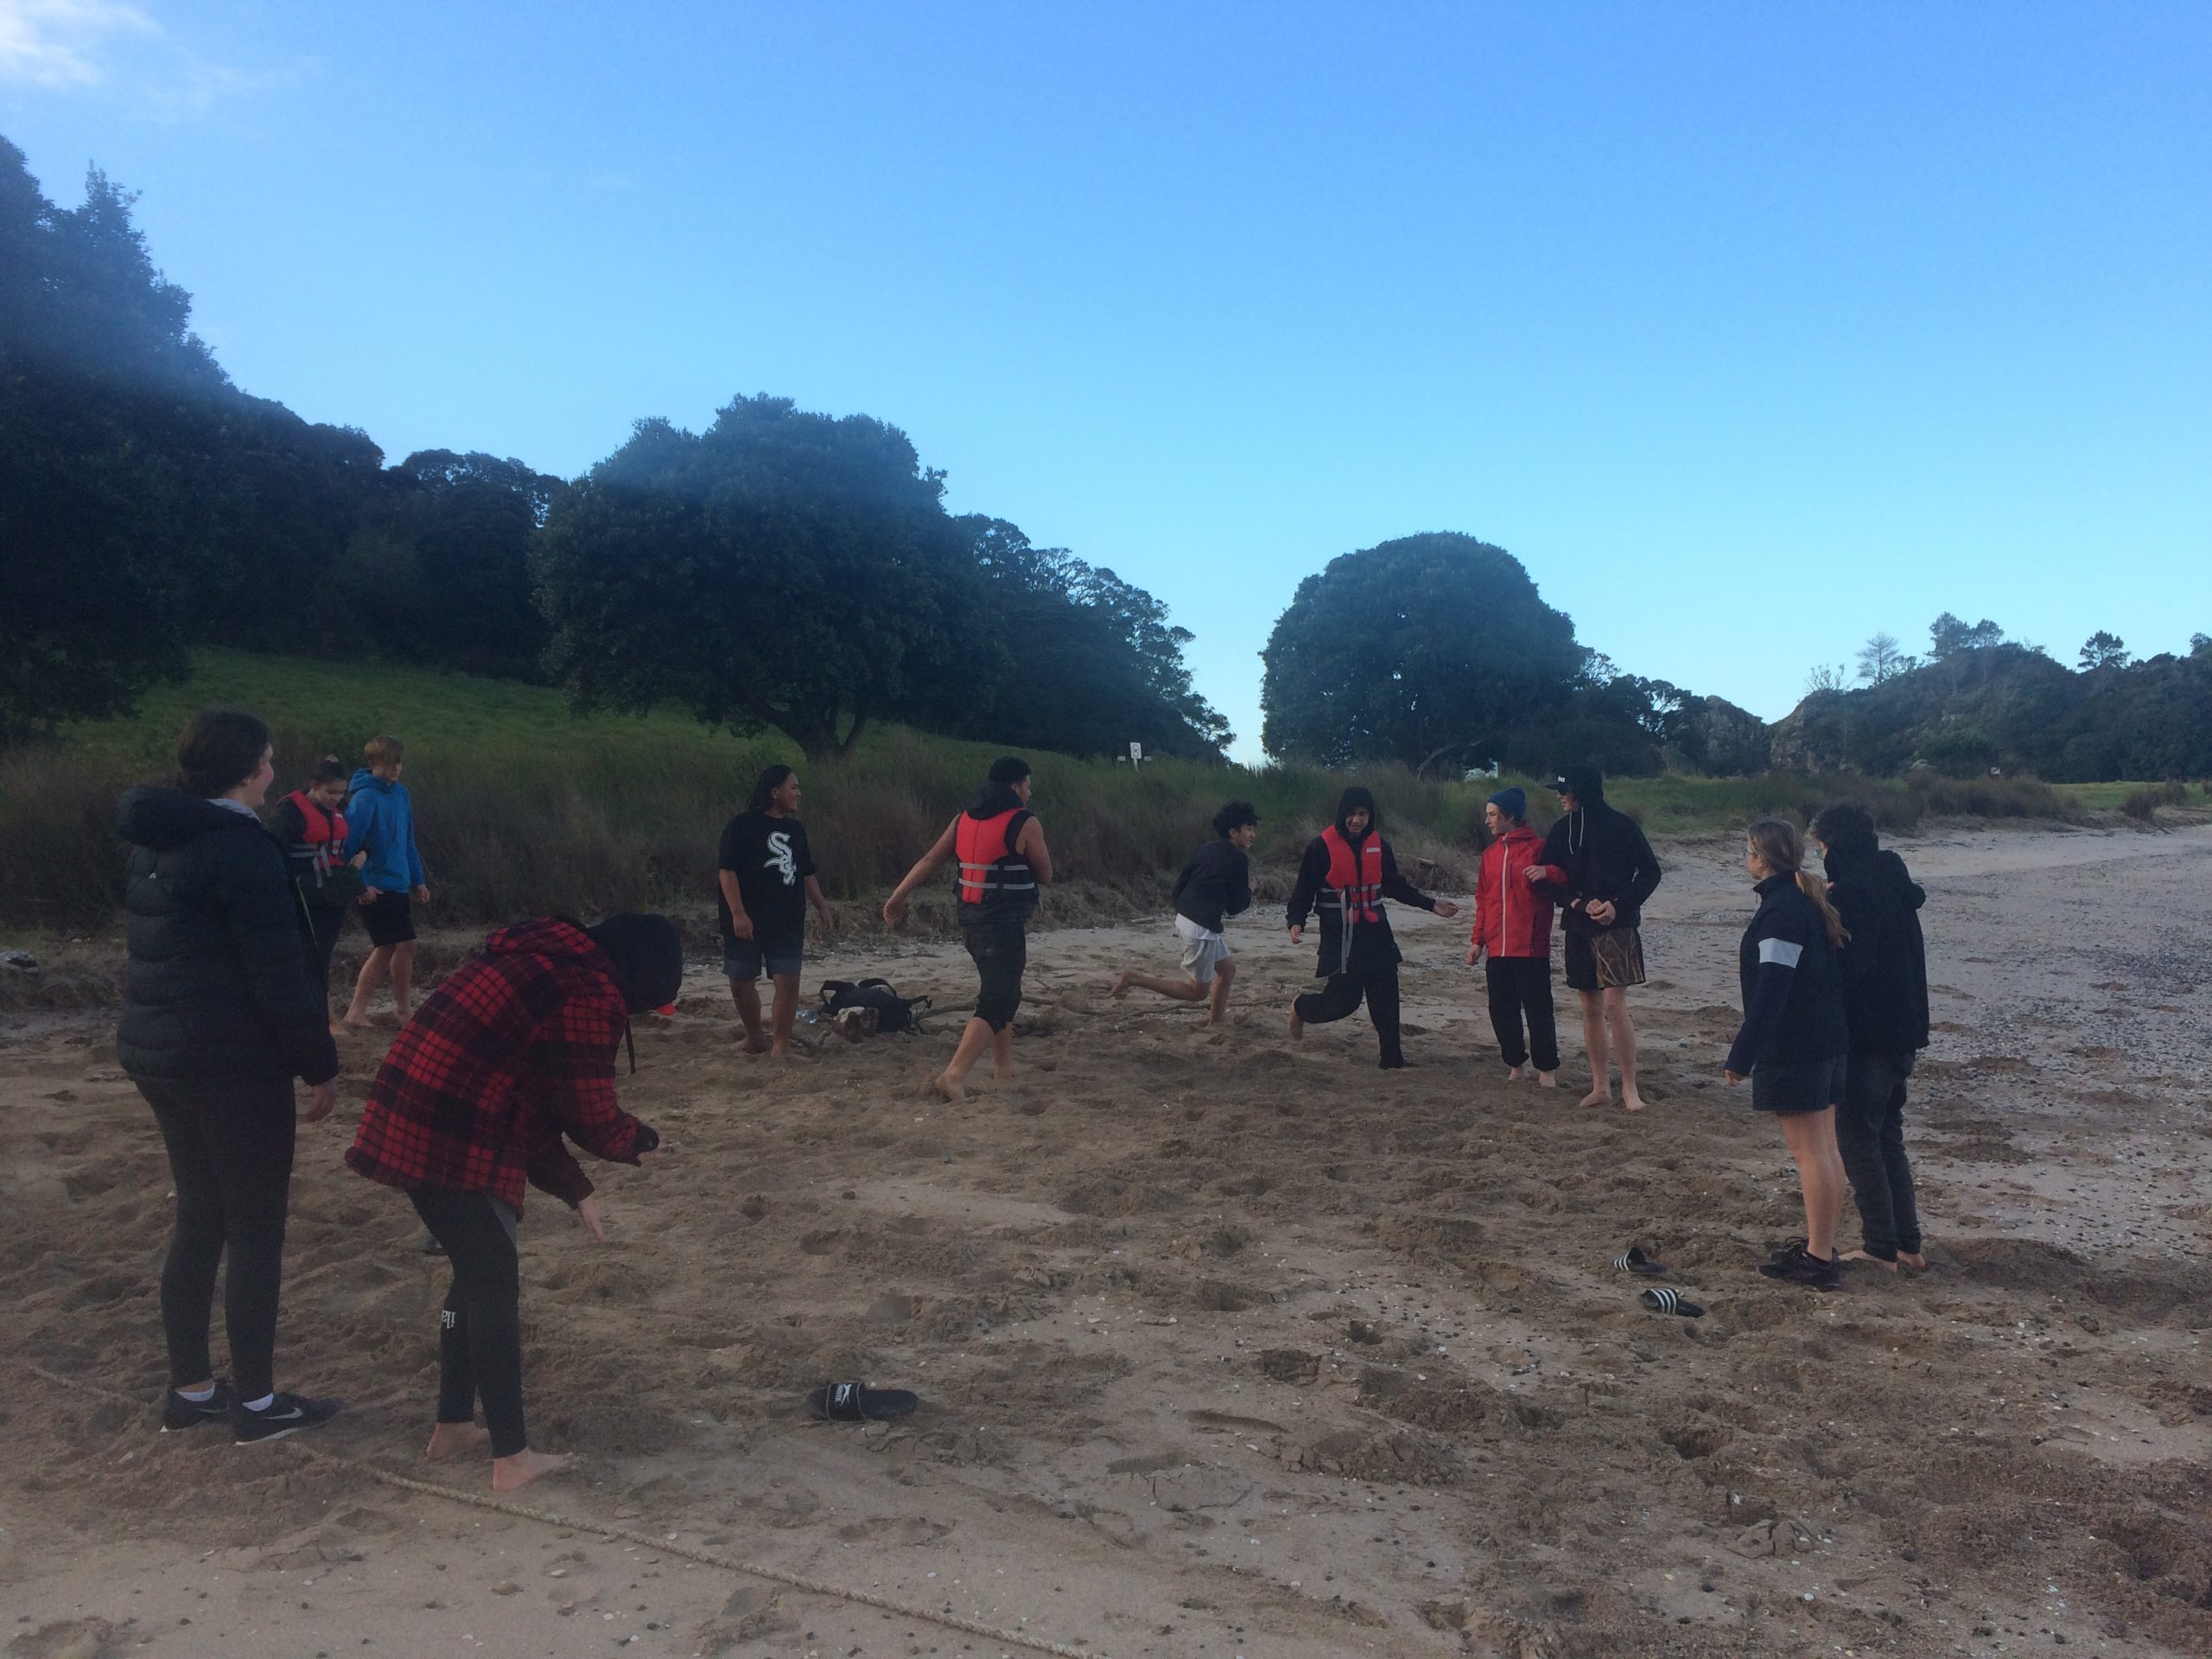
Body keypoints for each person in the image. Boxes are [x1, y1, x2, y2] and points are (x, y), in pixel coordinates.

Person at [345, 912, 677, 1492]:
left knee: (474, 1271)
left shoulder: (538, 962)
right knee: (492, 1283)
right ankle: (512, 1458)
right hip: (450, 1125)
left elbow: (531, 1101)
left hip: (412, 1107)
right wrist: (635, 1140)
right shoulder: (589, 989)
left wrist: (577, 1190)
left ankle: (452, 1427)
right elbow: (585, 1105)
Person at [117, 709, 344, 1444]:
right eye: (270, 761)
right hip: (230, 1063)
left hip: (161, 1054)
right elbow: (278, 972)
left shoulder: (156, 839)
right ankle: (254, 1404)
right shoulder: (240, 847)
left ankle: (191, 1389)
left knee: (201, 1217)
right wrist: (320, 1063)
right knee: (253, 1229)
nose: (276, 772)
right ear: (247, 770)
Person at [1724, 818, 1853, 1291]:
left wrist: (1742, 1055)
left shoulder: (1781, 910)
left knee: (1811, 1153)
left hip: (1799, 1045)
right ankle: (1822, 1246)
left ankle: (1819, 1258)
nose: (1747, 858)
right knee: (1824, 1149)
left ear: (1760, 856)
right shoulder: (1803, 901)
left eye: (1749, 850)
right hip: (1826, 1040)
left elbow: (1773, 990)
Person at [882, 756, 1054, 1101]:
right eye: (1027, 785)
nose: (1030, 792)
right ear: (1014, 787)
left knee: (998, 987)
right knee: (1000, 997)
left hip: (970, 920)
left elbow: (930, 859)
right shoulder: (1025, 822)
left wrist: (896, 898)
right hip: (1002, 923)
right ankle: (954, 1075)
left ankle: (1003, 1065)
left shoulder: (962, 819)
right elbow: (1046, 874)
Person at [1812, 801, 1931, 1273]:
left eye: (1821, 847)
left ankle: (1881, 1245)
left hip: (1871, 1034)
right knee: (1887, 1137)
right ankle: (1908, 1245)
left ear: (1836, 846)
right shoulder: (1892, 884)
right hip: (1904, 1030)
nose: (1820, 856)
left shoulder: (1857, 893)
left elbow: (1850, 968)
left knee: (1858, 1137)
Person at [1285, 786, 1459, 1069]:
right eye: (1352, 814)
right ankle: (1300, 1007)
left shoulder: (1380, 846)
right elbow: (1304, 888)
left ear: (1370, 816)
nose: (1356, 820)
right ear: (1342, 814)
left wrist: (1431, 905)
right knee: (1343, 1003)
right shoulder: (1320, 847)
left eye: (1363, 814)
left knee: (1386, 997)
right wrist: (1296, 920)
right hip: (1340, 935)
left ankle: (1392, 1059)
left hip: (1376, 932)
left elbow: (1394, 885)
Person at [1533, 762, 1662, 1111]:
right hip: (1577, 925)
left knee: (1613, 1005)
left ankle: (1630, 1089)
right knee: (1588, 1006)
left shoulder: (1621, 825)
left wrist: (1619, 906)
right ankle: (1600, 1085)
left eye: (1565, 790)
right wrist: (1574, 902)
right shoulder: (1561, 830)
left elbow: (1651, 872)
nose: (1560, 796)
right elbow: (1545, 882)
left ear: (1582, 791)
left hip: (1616, 925)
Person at [717, 764, 835, 1057]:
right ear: (774, 792)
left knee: (788, 980)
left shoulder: (795, 830)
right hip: (749, 916)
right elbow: (727, 872)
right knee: (742, 981)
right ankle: (755, 1037)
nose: (798, 793)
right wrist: (738, 913)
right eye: (793, 787)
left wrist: (821, 906)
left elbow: (807, 872)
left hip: (786, 918)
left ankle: (780, 1046)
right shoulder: (741, 825)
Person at [1111, 801, 1259, 1026]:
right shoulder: (1239, 859)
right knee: (1197, 992)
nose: (1253, 835)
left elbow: (1179, 887)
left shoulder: (1203, 849)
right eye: (1248, 829)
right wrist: (1250, 889)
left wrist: (1190, 911)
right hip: (1200, 929)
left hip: (1188, 919)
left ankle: (1215, 1024)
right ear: (1233, 832)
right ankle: (1134, 979)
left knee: (1227, 971)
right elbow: (1235, 907)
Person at [1465, 786, 1560, 1085]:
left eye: (1492, 815)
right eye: (1488, 814)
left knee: (1538, 1009)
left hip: (1530, 946)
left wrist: (1549, 873)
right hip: (1497, 947)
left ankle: (1546, 1070)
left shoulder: (1539, 849)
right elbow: (1483, 899)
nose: (1487, 820)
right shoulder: (1490, 855)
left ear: (1511, 817)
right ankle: (1516, 1064)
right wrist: (1477, 941)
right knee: (1502, 1009)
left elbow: (1565, 877)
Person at [341, 734, 429, 1029]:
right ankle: (357, 1010)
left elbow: (408, 841)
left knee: (402, 945)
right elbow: (350, 845)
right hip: (376, 884)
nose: (395, 769)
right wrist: (361, 884)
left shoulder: (401, 794)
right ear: (373, 763)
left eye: (398, 763)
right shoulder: (364, 798)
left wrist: (417, 879)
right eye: (389, 763)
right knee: (390, 945)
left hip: (399, 881)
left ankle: (403, 1009)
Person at [271, 754, 367, 1024]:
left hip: (331, 896)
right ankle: (323, 1018)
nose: (335, 798)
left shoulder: (338, 809)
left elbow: (356, 844)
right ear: (314, 785)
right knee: (311, 957)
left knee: (321, 955)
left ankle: (320, 1016)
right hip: (304, 897)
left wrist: (360, 866)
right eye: (330, 792)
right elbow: (272, 852)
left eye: (340, 792)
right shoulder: (289, 812)